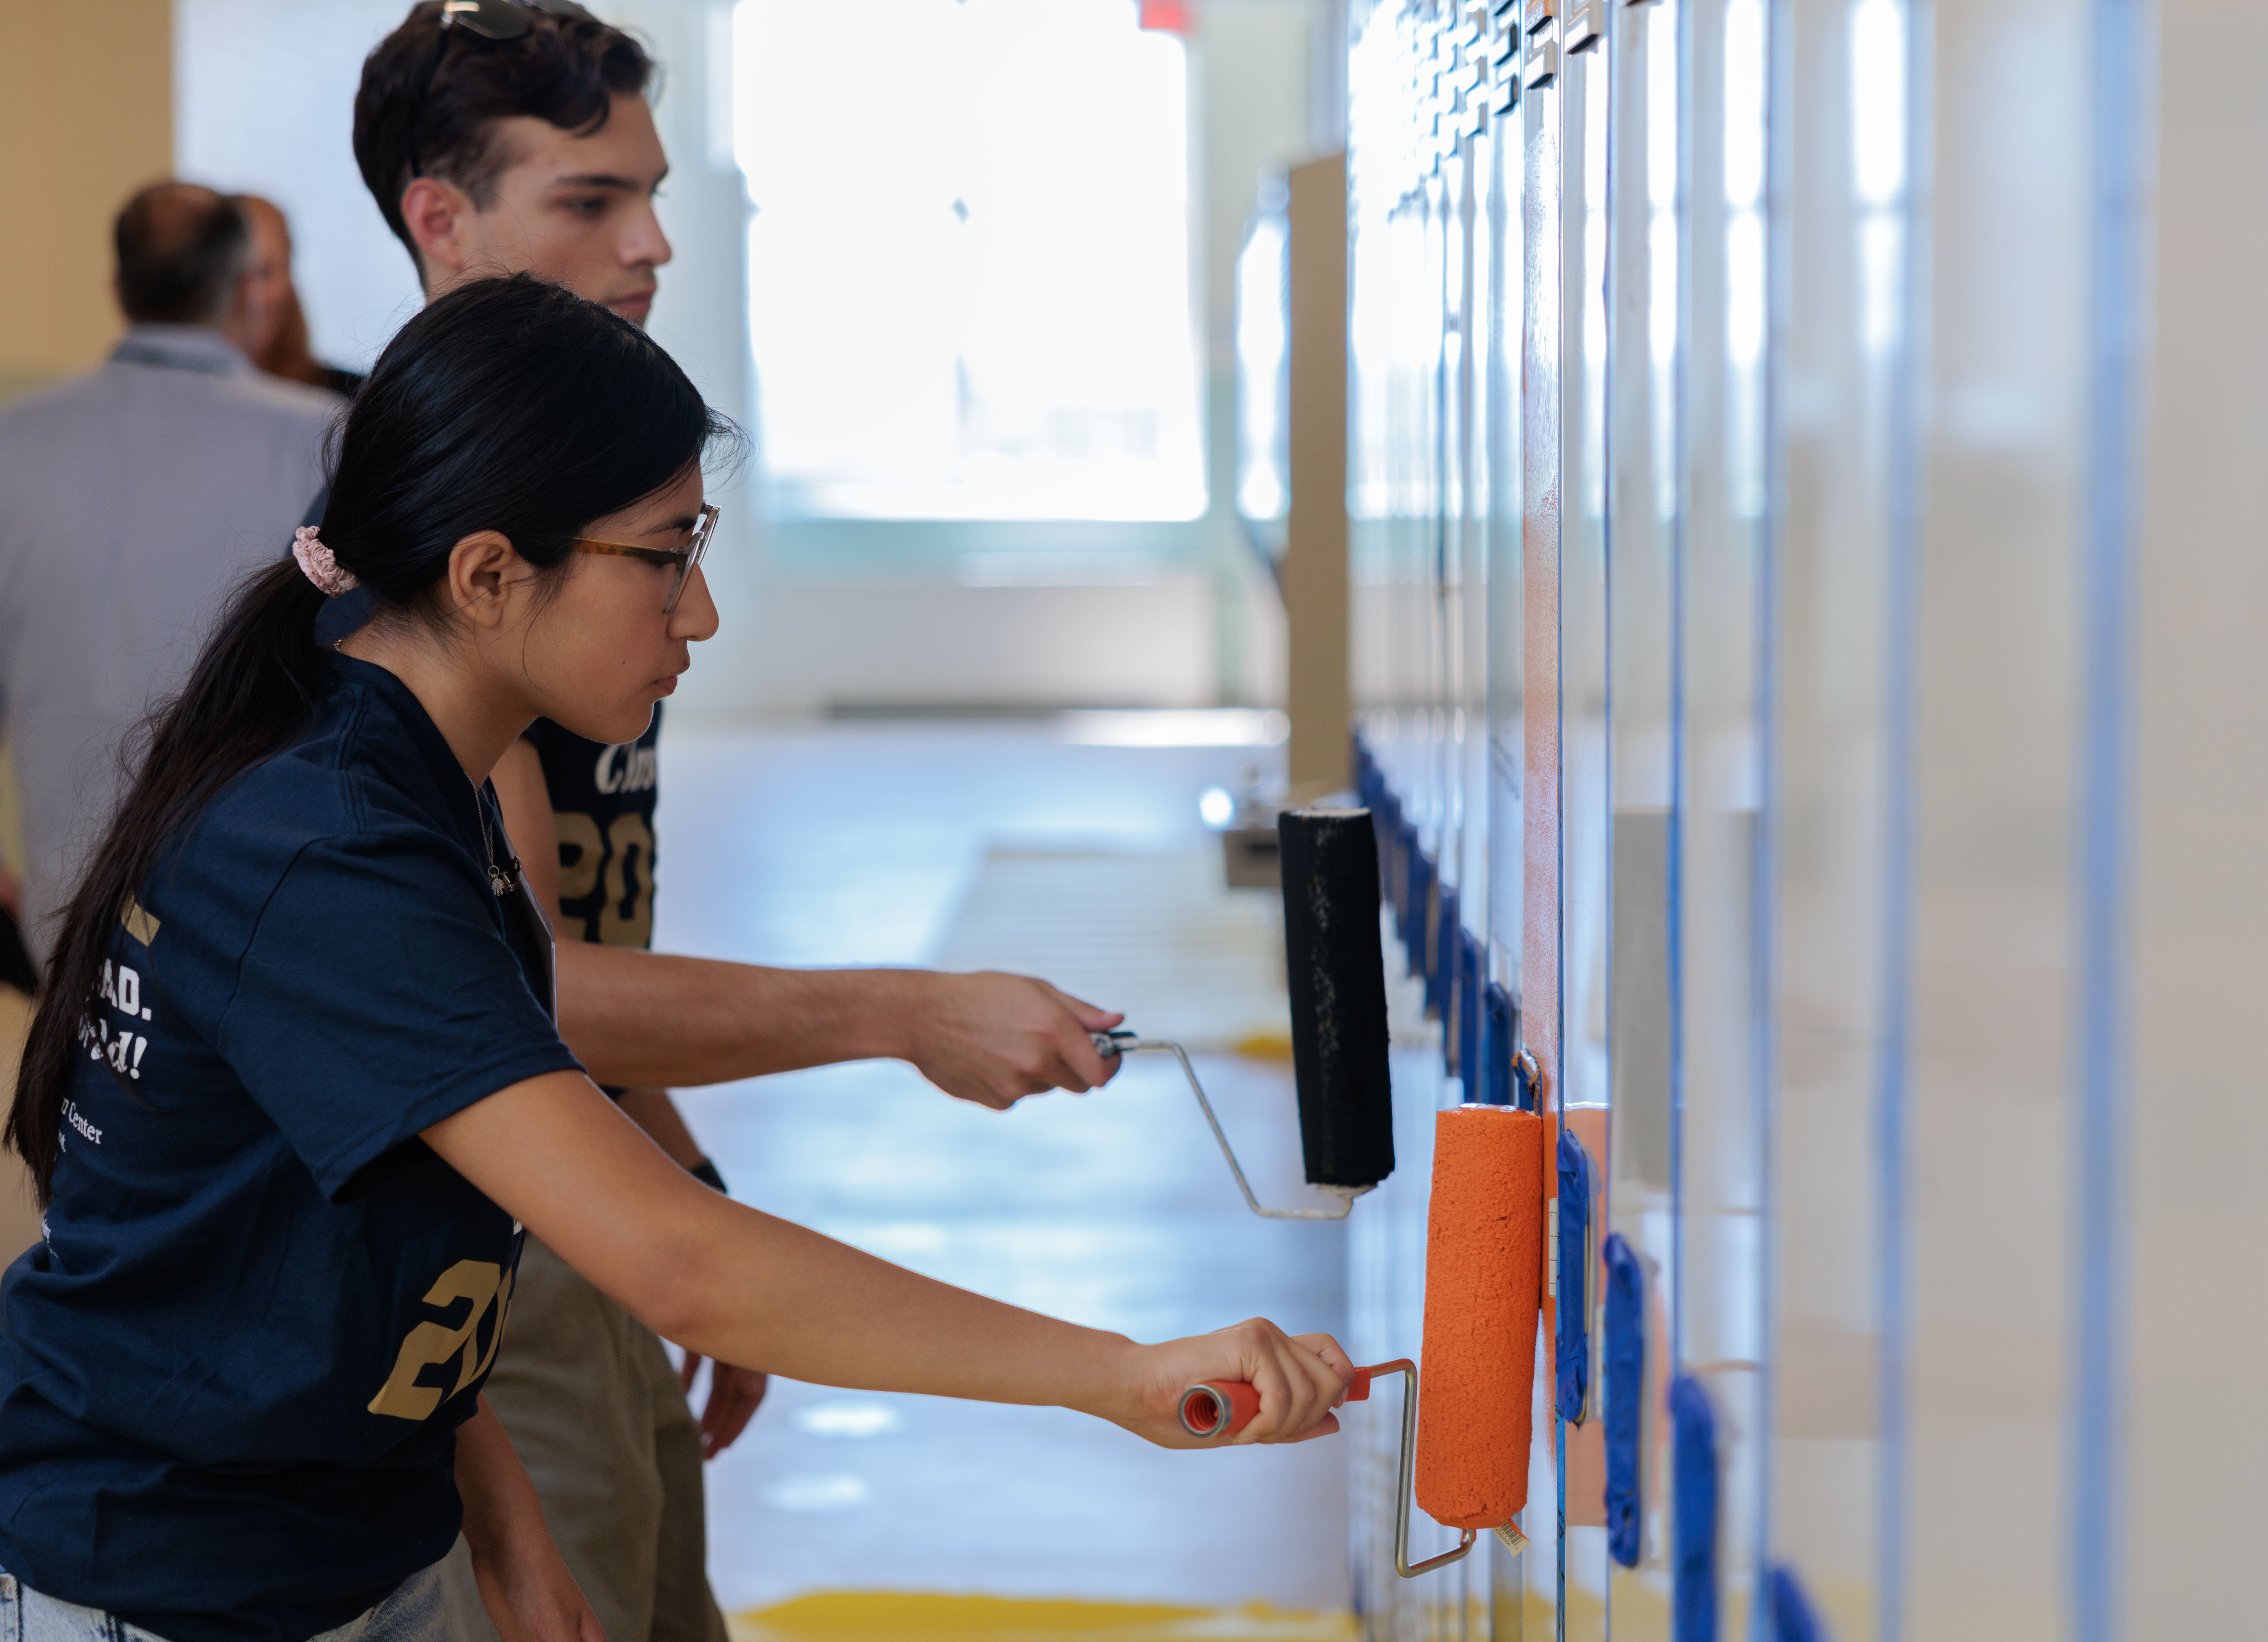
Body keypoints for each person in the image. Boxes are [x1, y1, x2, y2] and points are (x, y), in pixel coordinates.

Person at [0, 273, 1352, 1642]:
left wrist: (502, 1523)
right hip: (168, 1580)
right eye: (664, 555)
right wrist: (1118, 1376)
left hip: (338, 1543)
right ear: (485, 575)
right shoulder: (332, 852)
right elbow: (679, 1266)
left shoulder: (416, 777)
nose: (696, 614)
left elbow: (354, 1214)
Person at [343, 7, 1141, 1638]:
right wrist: (902, 1011)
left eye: (649, 192)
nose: (653, 241)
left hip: (595, 1191)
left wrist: (680, 1166)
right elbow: (521, 986)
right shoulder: (412, 581)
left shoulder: (542, 514)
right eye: (589, 201)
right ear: (442, 218)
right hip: (506, 1222)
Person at [0, 182, 342, 965]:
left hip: (65, 919)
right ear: (238, 286)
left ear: (119, 291)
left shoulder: (12, 444)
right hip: (271, 920)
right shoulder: (323, 443)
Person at [234, 194, 369, 397]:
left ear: (288, 278)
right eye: (232, 277)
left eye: (264, 273)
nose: (249, 296)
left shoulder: (355, 403)